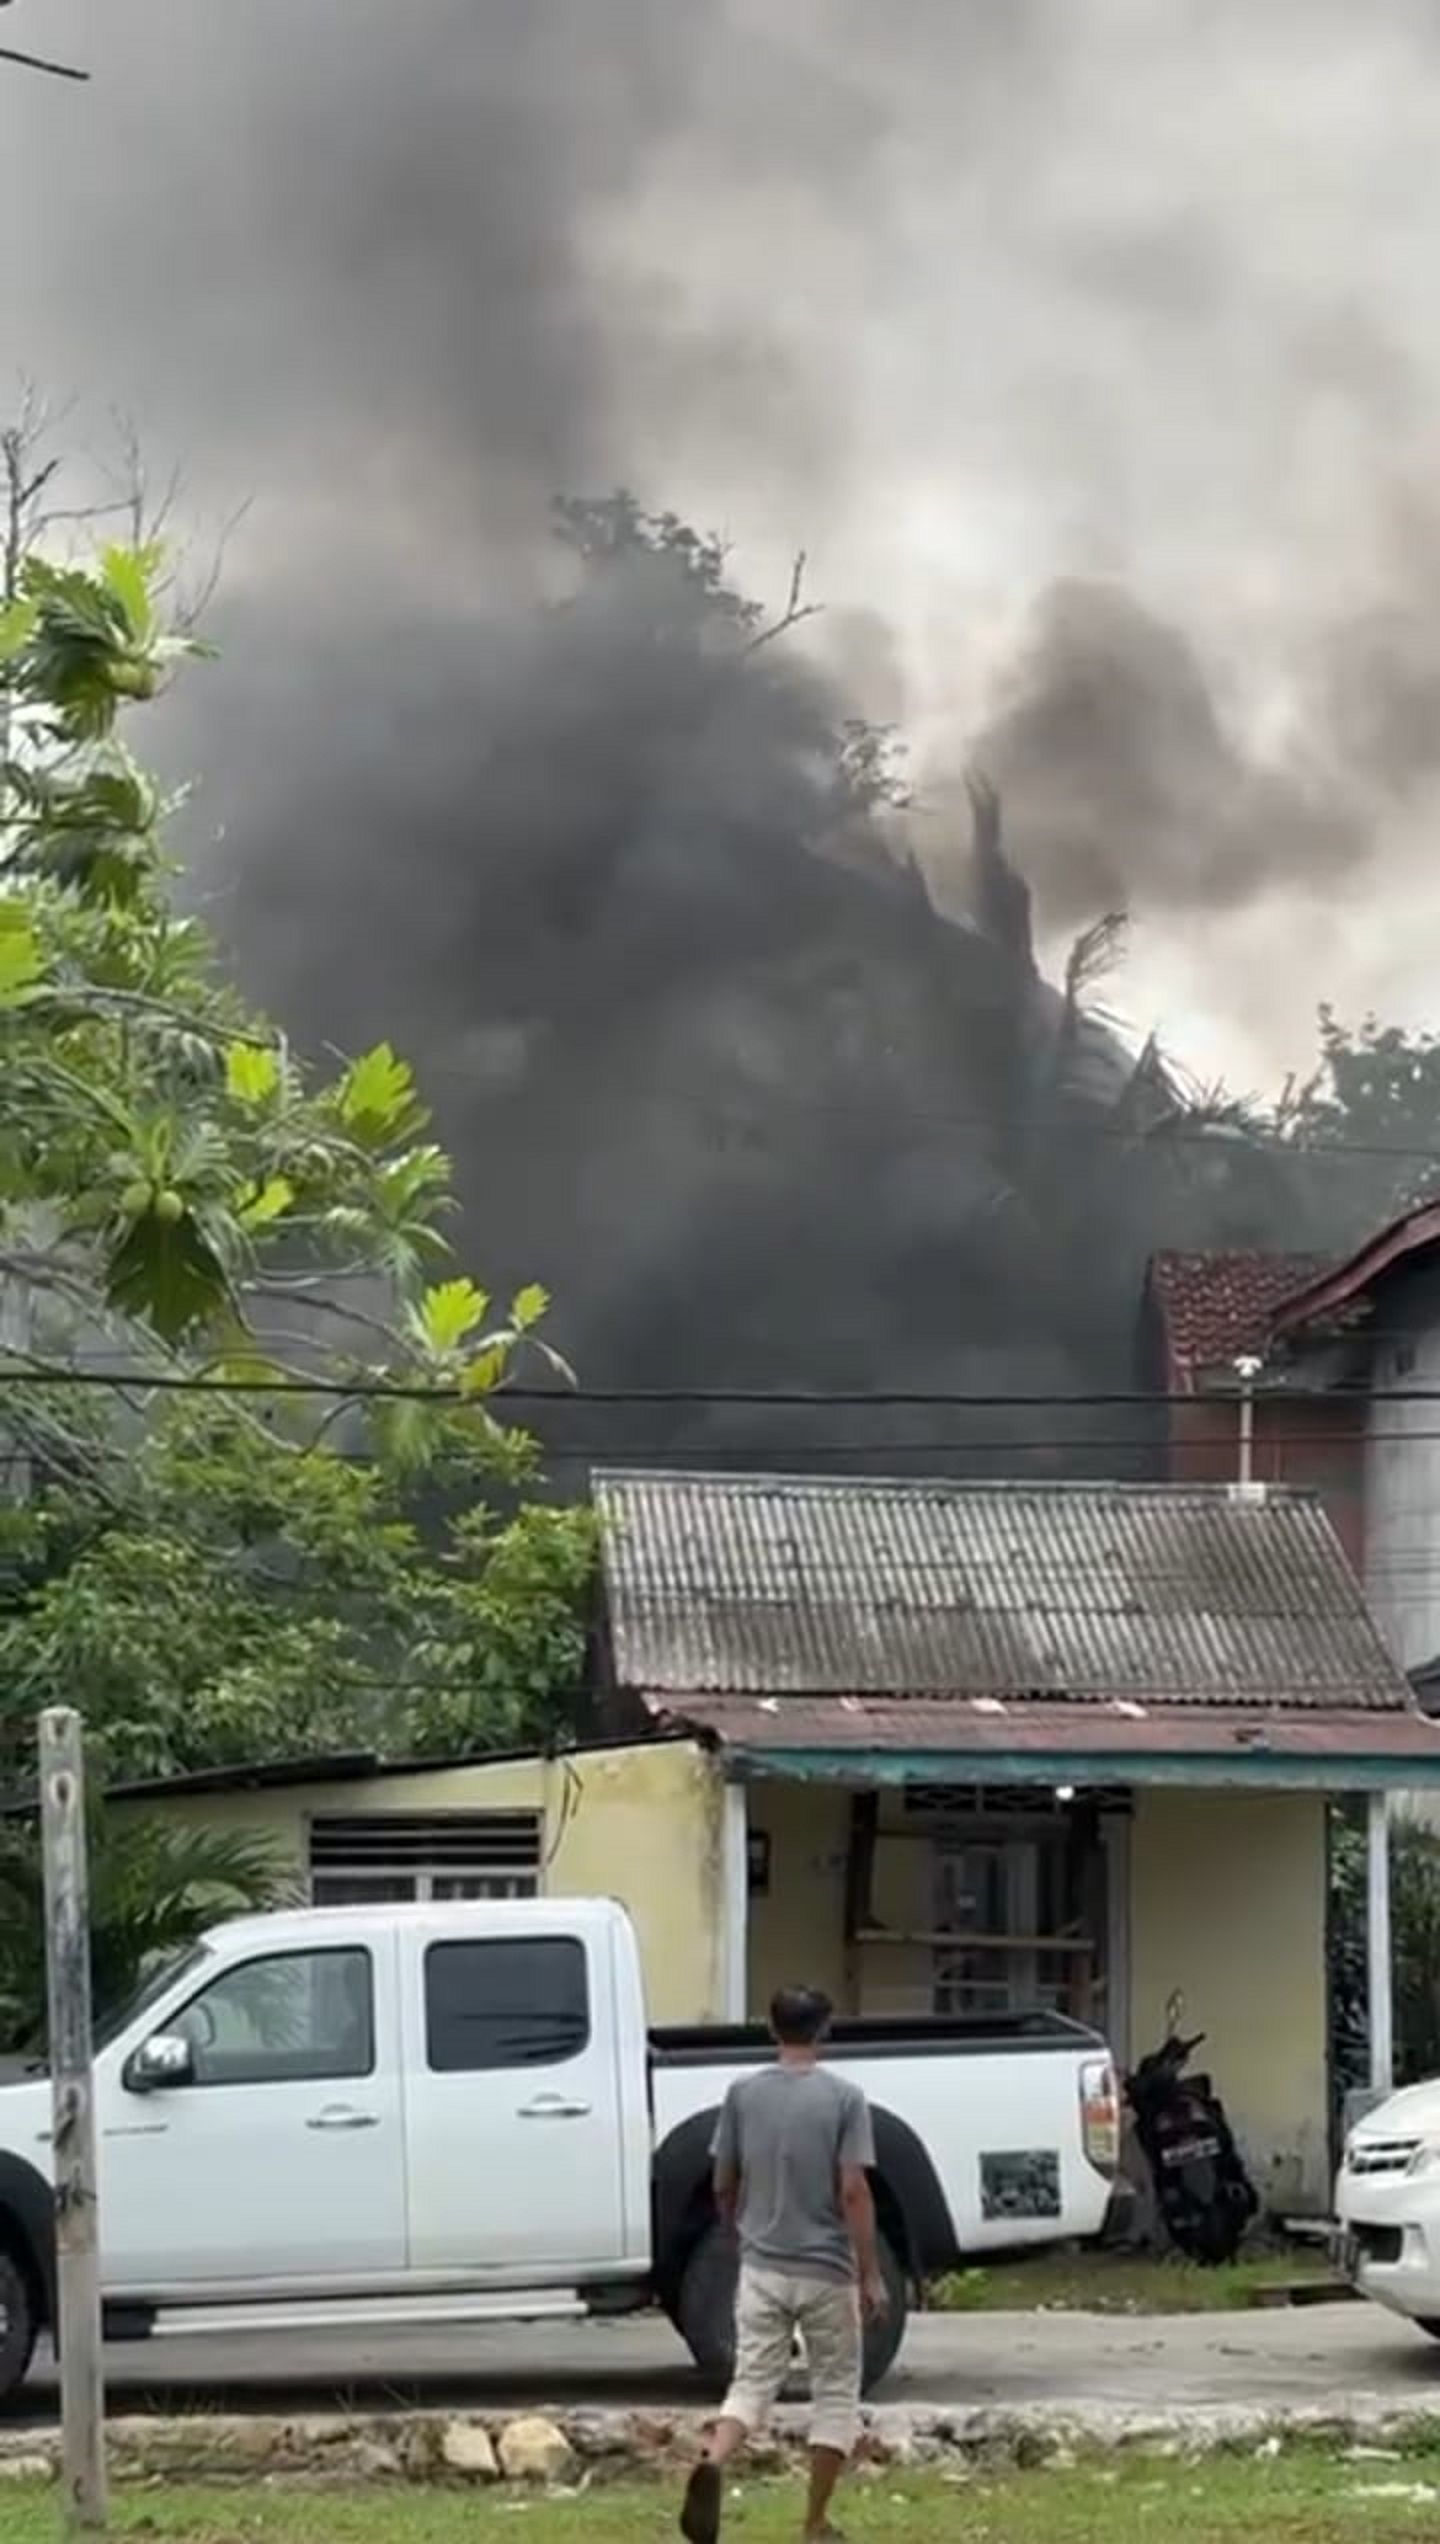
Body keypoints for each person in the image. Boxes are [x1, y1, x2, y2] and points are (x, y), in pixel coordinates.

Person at [679, 1983, 888, 2544]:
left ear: (771, 2029)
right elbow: (853, 2190)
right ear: (824, 2030)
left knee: (750, 2384)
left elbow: (724, 2182)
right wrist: (869, 2273)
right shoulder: (845, 2098)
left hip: (762, 2266)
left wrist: (738, 2235)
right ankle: (815, 2523)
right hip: (825, 2270)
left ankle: (715, 2458)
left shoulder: (743, 2095)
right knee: (836, 2394)